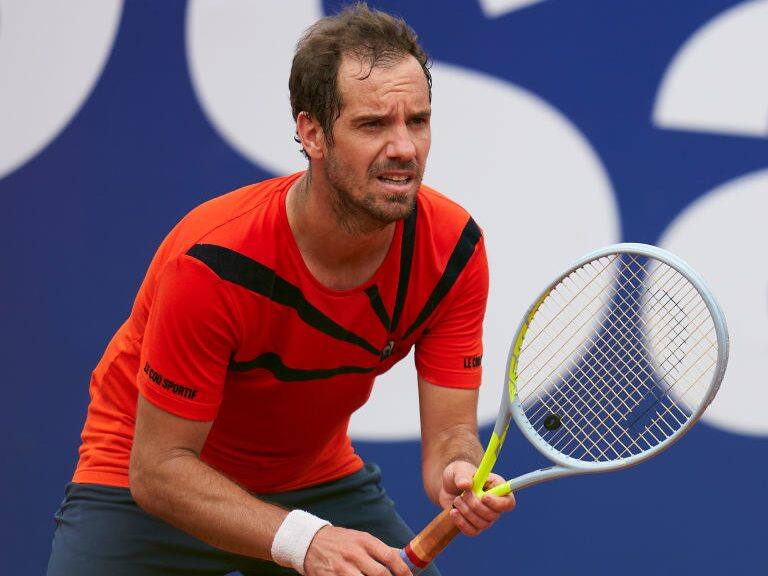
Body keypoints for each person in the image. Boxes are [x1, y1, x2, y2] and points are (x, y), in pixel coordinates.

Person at [46, 4, 515, 575]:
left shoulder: (454, 250)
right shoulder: (215, 262)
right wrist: (304, 541)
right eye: (373, 125)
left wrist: (460, 469)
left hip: (311, 480)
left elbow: (451, 437)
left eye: (417, 121)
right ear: (312, 133)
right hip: (149, 482)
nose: (405, 148)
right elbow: (158, 468)